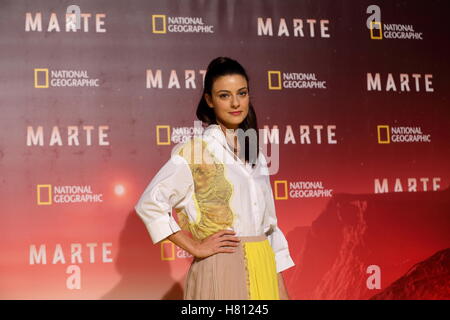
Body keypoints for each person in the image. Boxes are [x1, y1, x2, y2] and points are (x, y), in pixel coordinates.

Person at [134, 57, 295, 300]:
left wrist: (280, 289)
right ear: (209, 100)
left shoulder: (257, 154)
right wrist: (195, 247)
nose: (235, 103)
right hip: (221, 267)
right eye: (224, 95)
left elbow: (269, 227)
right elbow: (150, 203)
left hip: (264, 265)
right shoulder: (197, 151)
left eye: (241, 93)